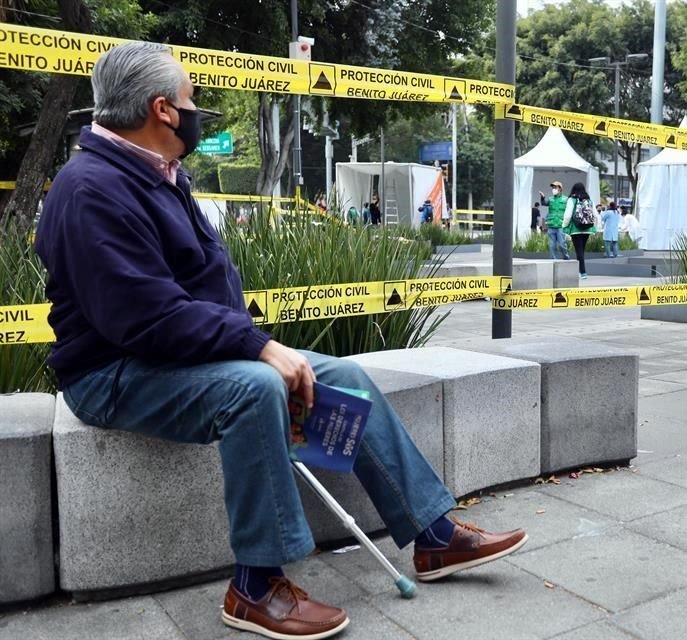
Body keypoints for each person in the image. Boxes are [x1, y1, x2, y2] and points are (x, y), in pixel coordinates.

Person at [33, 42, 527, 640]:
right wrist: (257, 348)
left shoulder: (156, 173)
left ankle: (433, 535)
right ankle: (255, 585)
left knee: (341, 375)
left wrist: (251, 341)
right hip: (113, 371)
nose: (197, 109)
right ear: (162, 110)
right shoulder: (92, 189)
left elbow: (195, 293)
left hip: (176, 353)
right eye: (191, 98)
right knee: (254, 387)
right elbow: (142, 317)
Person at [562, 182, 596, 279]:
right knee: (582, 250)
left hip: (576, 229)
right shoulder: (589, 200)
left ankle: (583, 272)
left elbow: (568, 215)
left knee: (579, 251)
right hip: (587, 228)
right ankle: (582, 272)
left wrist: (564, 226)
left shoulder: (572, 200)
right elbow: (595, 214)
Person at [539, 180, 570, 260]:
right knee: (552, 245)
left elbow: (570, 211)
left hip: (561, 225)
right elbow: (544, 203)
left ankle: (565, 256)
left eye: (555, 187)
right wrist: (542, 197)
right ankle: (553, 259)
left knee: (561, 244)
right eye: (553, 187)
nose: (553, 189)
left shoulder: (566, 199)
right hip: (551, 224)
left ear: (560, 188)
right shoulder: (550, 199)